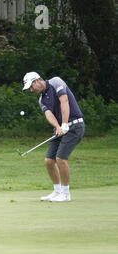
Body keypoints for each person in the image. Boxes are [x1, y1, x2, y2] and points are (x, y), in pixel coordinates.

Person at [22, 72, 85, 202]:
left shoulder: (56, 82)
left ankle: (66, 194)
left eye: (31, 87)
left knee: (60, 158)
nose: (31, 90)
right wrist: (57, 127)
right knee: (49, 161)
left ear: (37, 80)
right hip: (61, 129)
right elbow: (49, 114)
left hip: (75, 126)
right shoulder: (41, 99)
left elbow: (64, 101)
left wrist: (65, 123)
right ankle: (57, 191)